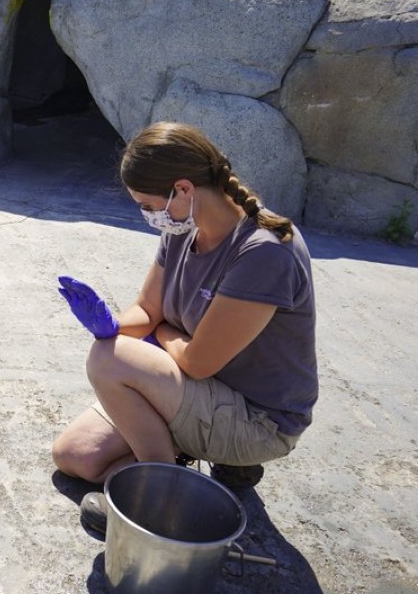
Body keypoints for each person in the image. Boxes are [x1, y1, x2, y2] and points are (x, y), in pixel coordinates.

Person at [52, 121, 317, 534]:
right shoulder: (184, 227)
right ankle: (190, 467)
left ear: (184, 189)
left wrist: (157, 337)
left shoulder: (264, 253)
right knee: (76, 457)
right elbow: (148, 308)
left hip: (256, 418)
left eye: (149, 204)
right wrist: (112, 323)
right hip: (197, 390)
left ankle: (161, 497)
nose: (148, 215)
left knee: (109, 359)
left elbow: (196, 363)